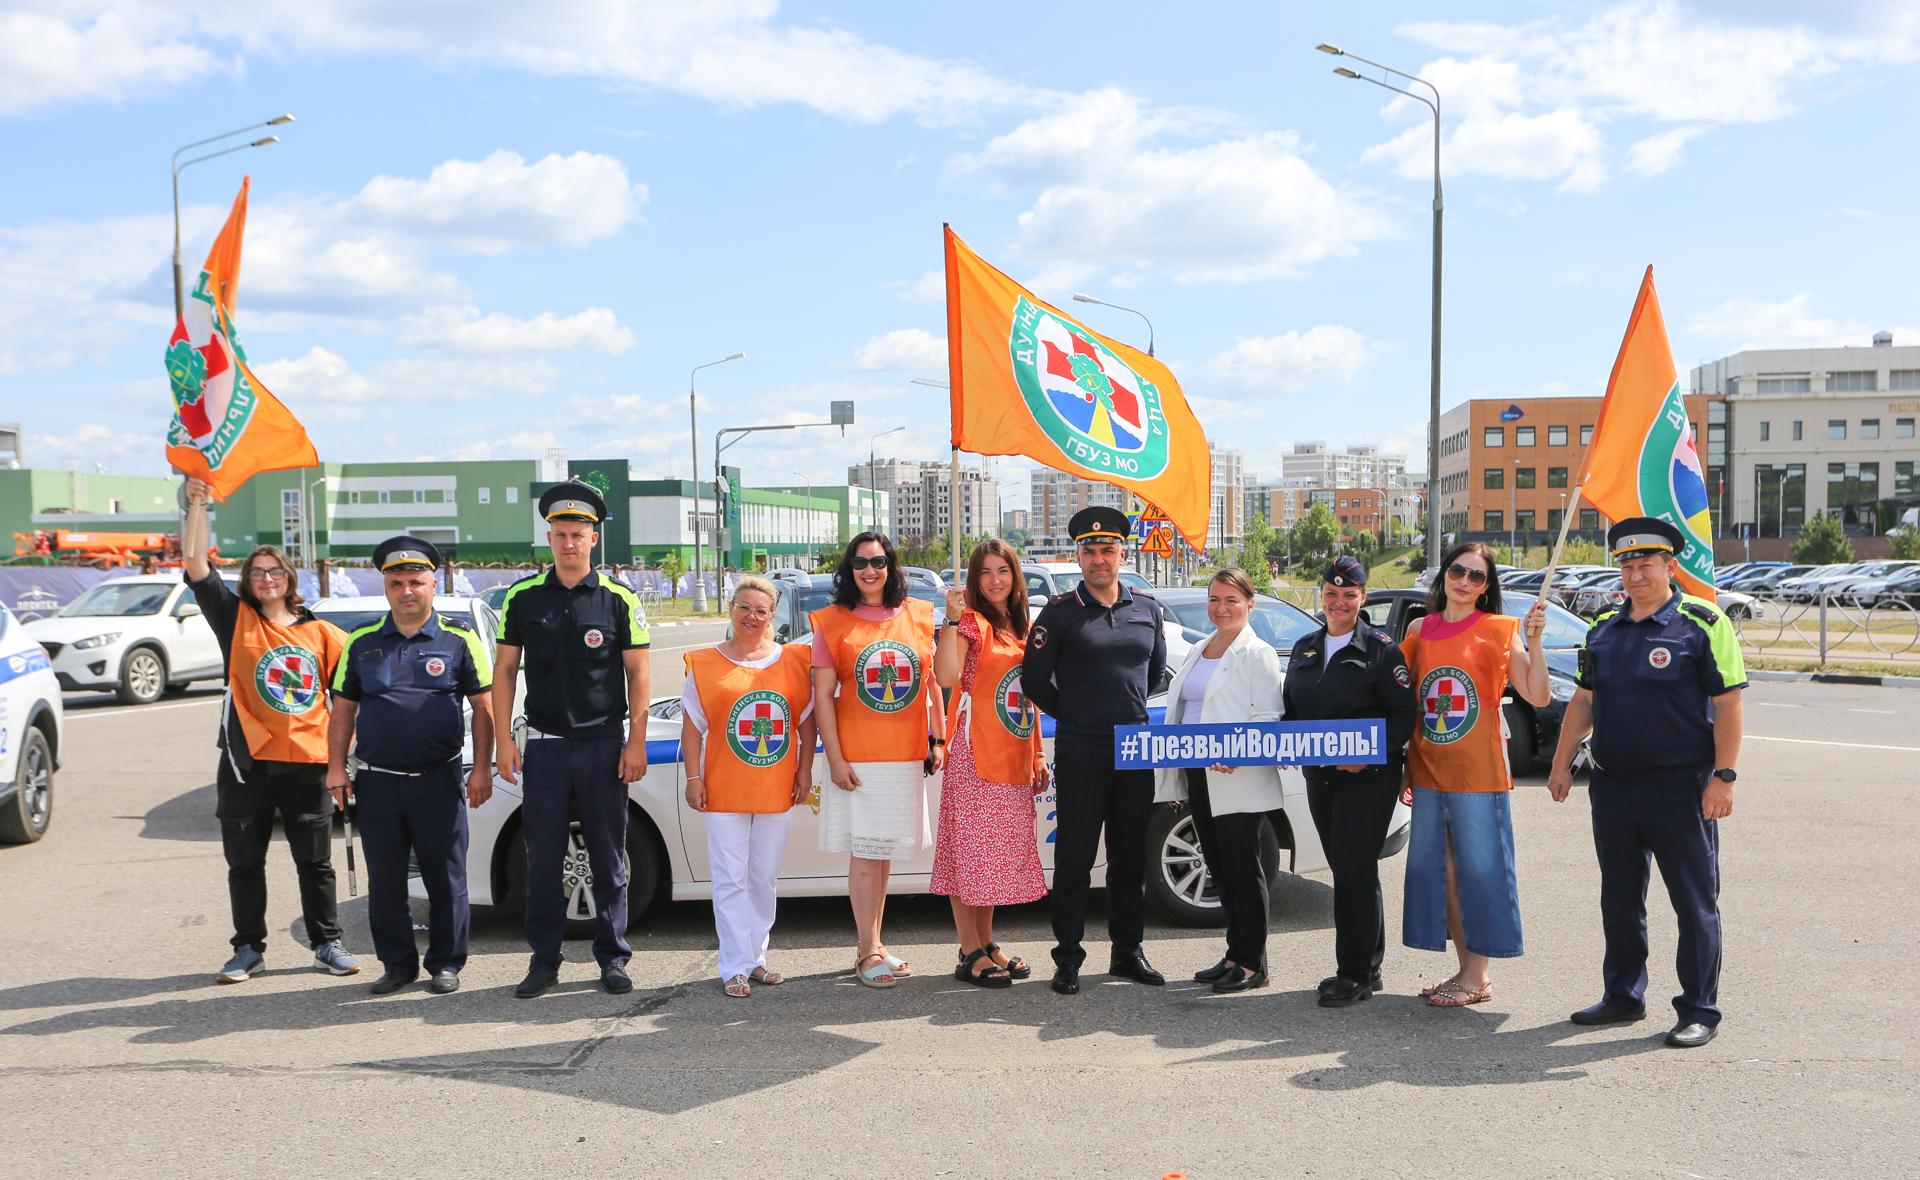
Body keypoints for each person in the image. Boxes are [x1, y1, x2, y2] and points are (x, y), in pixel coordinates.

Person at [1547, 518, 1745, 1049]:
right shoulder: (1603, 628)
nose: (1635, 576)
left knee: (1694, 902)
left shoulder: (1703, 624)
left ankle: (1699, 1008)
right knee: (1619, 898)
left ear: (1669, 568)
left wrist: (1723, 778)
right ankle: (1623, 996)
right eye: (1627, 567)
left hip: (1681, 788)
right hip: (1613, 786)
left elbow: (1728, 706)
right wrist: (1561, 762)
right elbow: (1585, 701)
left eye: (1646, 566)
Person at [181, 475, 358, 984]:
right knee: (244, 863)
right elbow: (196, 566)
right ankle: (247, 949)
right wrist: (198, 505)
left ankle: (327, 943)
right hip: (245, 763)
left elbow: (354, 690)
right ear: (247, 579)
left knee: (315, 864)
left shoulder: (319, 631)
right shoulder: (234, 618)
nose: (266, 578)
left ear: (288, 576)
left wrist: (345, 757)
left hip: (307, 762)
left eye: (274, 570)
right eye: (257, 571)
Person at [493, 479, 652, 998]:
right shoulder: (522, 597)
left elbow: (639, 675)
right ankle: (545, 959)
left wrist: (636, 742)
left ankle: (612, 956)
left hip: (605, 744)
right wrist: (503, 742)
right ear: (549, 537)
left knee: (608, 856)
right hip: (545, 746)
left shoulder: (619, 600)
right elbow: (505, 672)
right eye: (559, 533)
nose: (568, 542)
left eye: (577, 533)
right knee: (542, 858)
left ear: (594, 537)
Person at [326, 536, 495, 996]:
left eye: (416, 582)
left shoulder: (458, 639)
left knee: (446, 878)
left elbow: (484, 708)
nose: (407, 590)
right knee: (384, 882)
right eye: (397, 582)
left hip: (438, 780)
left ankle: (445, 962)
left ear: (433, 584)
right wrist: (335, 768)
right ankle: (397, 964)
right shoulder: (361, 641)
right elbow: (342, 709)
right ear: (385, 586)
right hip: (377, 783)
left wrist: (482, 769)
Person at [1023, 506, 1168, 996]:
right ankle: (1067, 958)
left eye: (1108, 549)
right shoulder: (1060, 613)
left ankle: (1128, 952)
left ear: (1122, 554)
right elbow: (1035, 680)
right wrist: (1079, 713)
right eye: (1090, 550)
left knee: (1129, 860)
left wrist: (1121, 712)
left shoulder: (1147, 609)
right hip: (1082, 748)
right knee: (1075, 859)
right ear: (1079, 556)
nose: (1099, 559)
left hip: (1134, 749)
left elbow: (1152, 677)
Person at [1398, 541, 1549, 1007]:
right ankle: (1467, 971)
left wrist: (1536, 642)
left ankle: (1477, 974)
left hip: (1480, 773)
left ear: (1487, 587)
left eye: (1476, 576)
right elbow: (1405, 703)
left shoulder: (1501, 630)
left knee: (1480, 872)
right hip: (1427, 769)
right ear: (1444, 574)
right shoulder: (1420, 630)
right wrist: (1402, 766)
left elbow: (1538, 695)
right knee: (1441, 873)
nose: (1464, 581)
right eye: (1458, 571)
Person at [1282, 555, 1418, 1007]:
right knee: (1346, 866)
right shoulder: (1305, 648)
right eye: (1332, 593)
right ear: (1322, 594)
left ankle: (1354, 973)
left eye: (1349, 595)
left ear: (1362, 598)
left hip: (1368, 779)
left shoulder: (1381, 650)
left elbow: (1403, 716)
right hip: (1319, 776)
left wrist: (1370, 755)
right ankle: (1369, 966)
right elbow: (1291, 713)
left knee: (1355, 869)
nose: (1339, 602)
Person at [811, 532, 944, 988]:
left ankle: (876, 941)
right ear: (849, 569)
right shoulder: (832, 622)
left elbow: (931, 685)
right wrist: (834, 756)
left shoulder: (920, 616)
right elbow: (823, 697)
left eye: (880, 561)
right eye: (861, 562)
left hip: (904, 755)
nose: (870, 570)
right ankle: (866, 951)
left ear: (892, 566)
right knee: (866, 853)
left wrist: (938, 739)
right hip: (859, 756)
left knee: (882, 852)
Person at [680, 576, 816, 998]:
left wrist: (805, 771)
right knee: (729, 878)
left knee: (762, 876)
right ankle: (733, 964)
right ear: (731, 609)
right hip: (723, 787)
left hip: (776, 787)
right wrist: (693, 778)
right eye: (743, 607)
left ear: (771, 616)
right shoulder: (704, 663)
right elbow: (693, 726)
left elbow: (806, 723)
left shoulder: (794, 660)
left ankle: (756, 958)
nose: (751, 617)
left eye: (760, 610)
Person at [1153, 568, 1284, 994]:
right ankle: (1234, 953)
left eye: (1231, 600)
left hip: (1237, 775)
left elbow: (1268, 719)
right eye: (1214, 599)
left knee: (1244, 871)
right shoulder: (1201, 647)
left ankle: (1253, 964)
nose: (1221, 608)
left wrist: (1237, 753)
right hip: (1199, 772)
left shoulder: (1257, 653)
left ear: (1250, 604)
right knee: (1221, 870)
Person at [932, 539, 1048, 989]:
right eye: (985, 572)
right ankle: (969, 950)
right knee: (970, 853)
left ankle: (982, 941)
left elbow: (1029, 696)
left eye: (1003, 570)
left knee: (990, 856)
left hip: (1013, 751)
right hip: (975, 752)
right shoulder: (971, 624)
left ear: (1015, 576)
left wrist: (1037, 750)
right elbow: (944, 677)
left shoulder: (1021, 626)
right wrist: (951, 619)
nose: (995, 580)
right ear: (974, 580)